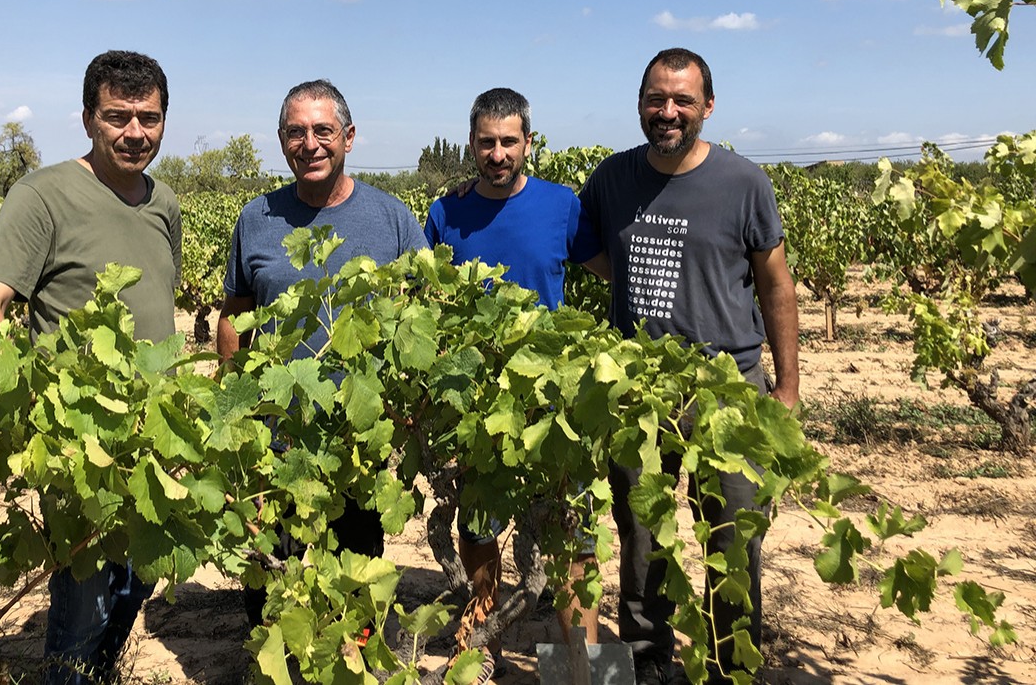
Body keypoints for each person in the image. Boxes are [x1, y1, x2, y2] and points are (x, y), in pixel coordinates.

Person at [578, 48, 799, 685]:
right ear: (640, 103)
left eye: (681, 100)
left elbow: (776, 285)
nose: (667, 111)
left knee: (731, 544)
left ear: (707, 106)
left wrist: (785, 388)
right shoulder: (612, 179)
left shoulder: (744, 182)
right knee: (642, 541)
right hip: (638, 391)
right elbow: (586, 243)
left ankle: (733, 670)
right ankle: (648, 671)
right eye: (656, 98)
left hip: (729, 390)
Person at [0, 51, 181, 684]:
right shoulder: (42, 195)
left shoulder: (163, 202)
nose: (134, 132)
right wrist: (20, 402)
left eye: (149, 117)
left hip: (155, 436)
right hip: (77, 439)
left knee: (140, 576)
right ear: (88, 118)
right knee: (83, 600)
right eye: (118, 116)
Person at [216, 78, 427, 623]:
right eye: (295, 132)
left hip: (357, 447)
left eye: (323, 131)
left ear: (349, 137)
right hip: (273, 447)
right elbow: (234, 317)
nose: (309, 144)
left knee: (355, 590)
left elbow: (423, 319)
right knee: (267, 591)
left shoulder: (392, 220)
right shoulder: (254, 219)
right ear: (282, 141)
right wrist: (233, 411)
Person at [423, 88, 608, 677]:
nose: (497, 153)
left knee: (572, 539)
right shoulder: (444, 214)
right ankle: (486, 652)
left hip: (555, 403)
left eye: (509, 141)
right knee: (478, 527)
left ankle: (578, 667)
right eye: (486, 142)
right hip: (477, 402)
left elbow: (609, 272)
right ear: (472, 145)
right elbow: (425, 300)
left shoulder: (562, 206)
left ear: (528, 142)